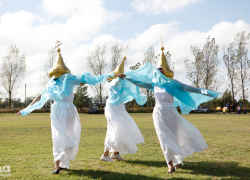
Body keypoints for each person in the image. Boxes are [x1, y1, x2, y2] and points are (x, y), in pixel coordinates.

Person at [120, 45, 221, 173]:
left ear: (166, 70)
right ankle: (170, 165)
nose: (159, 71)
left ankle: (177, 160)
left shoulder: (174, 84)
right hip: (158, 113)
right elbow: (140, 83)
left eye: (162, 69)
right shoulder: (154, 83)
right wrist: (127, 77)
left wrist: (207, 92)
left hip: (171, 113)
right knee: (163, 138)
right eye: (158, 69)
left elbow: (192, 89)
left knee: (175, 137)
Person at [17, 45, 115, 174]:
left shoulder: (68, 79)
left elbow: (87, 80)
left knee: (66, 135)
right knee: (58, 137)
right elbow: (40, 96)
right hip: (58, 110)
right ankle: (57, 165)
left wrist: (109, 76)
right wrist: (27, 108)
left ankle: (62, 163)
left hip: (67, 110)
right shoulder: (52, 83)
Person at [100, 56, 146, 162]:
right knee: (114, 130)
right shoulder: (113, 83)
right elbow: (116, 82)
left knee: (121, 129)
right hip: (113, 108)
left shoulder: (118, 83)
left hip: (119, 107)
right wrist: (120, 77)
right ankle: (105, 154)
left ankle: (115, 153)